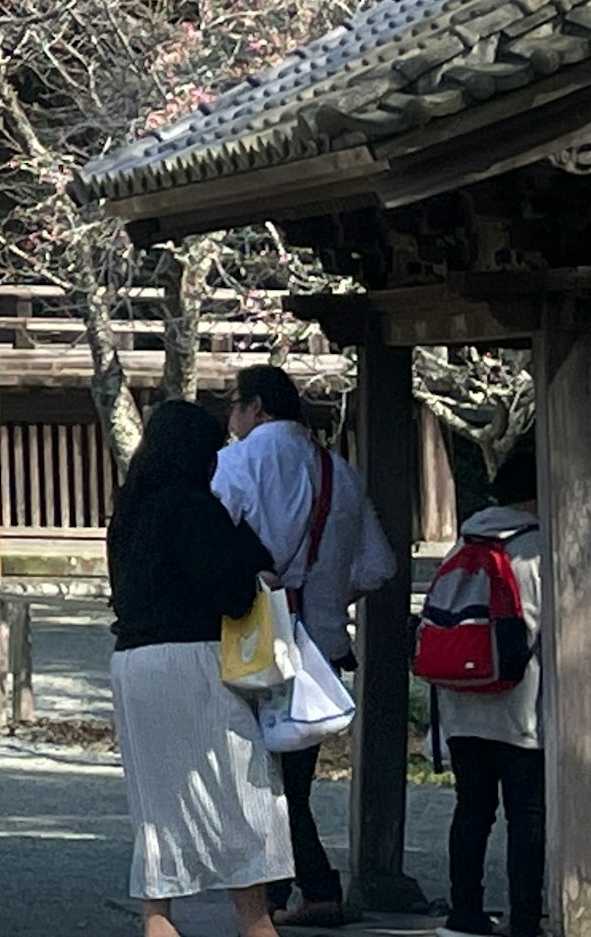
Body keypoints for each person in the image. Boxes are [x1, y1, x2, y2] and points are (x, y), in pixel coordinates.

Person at [433, 434, 591, 937]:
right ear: (542, 492)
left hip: (461, 702)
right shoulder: (540, 548)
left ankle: (465, 913)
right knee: (527, 816)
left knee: (472, 810)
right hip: (520, 706)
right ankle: (526, 920)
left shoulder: (464, 542)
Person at [214, 365, 399, 928]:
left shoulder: (239, 461)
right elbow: (378, 565)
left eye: (235, 404)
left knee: (253, 778)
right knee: (293, 779)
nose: (232, 417)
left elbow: (216, 539)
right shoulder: (339, 472)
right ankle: (308, 888)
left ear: (257, 408)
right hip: (316, 645)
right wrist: (324, 593)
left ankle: (277, 895)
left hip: (250, 638)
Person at [109, 395, 290, 937]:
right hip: (195, 660)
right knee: (241, 788)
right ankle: (255, 920)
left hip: (134, 663)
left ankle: (157, 919)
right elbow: (234, 592)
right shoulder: (195, 507)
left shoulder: (129, 513)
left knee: (156, 797)